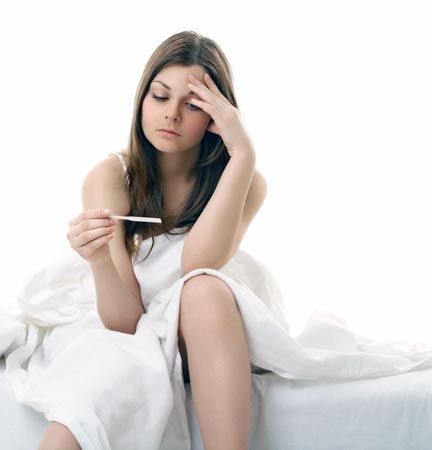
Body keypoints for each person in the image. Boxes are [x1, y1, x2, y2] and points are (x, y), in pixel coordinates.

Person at [40, 29, 267, 450]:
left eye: (193, 104)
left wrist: (243, 154)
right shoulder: (112, 177)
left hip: (207, 328)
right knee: (90, 396)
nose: (172, 115)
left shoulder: (245, 182)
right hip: (131, 322)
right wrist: (100, 262)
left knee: (202, 289)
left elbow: (197, 264)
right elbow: (125, 324)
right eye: (160, 96)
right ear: (142, 99)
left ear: (219, 115)